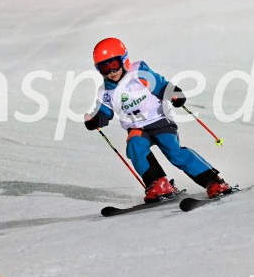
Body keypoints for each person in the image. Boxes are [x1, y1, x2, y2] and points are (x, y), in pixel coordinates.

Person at [84, 37, 232, 202]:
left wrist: (174, 94)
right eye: (104, 68)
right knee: (135, 145)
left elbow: (161, 85)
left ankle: (213, 182)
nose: (111, 72)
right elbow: (104, 111)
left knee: (174, 152)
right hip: (136, 127)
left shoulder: (139, 72)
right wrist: (95, 120)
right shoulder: (105, 91)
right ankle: (159, 184)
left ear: (124, 60)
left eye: (114, 65)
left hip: (159, 120)